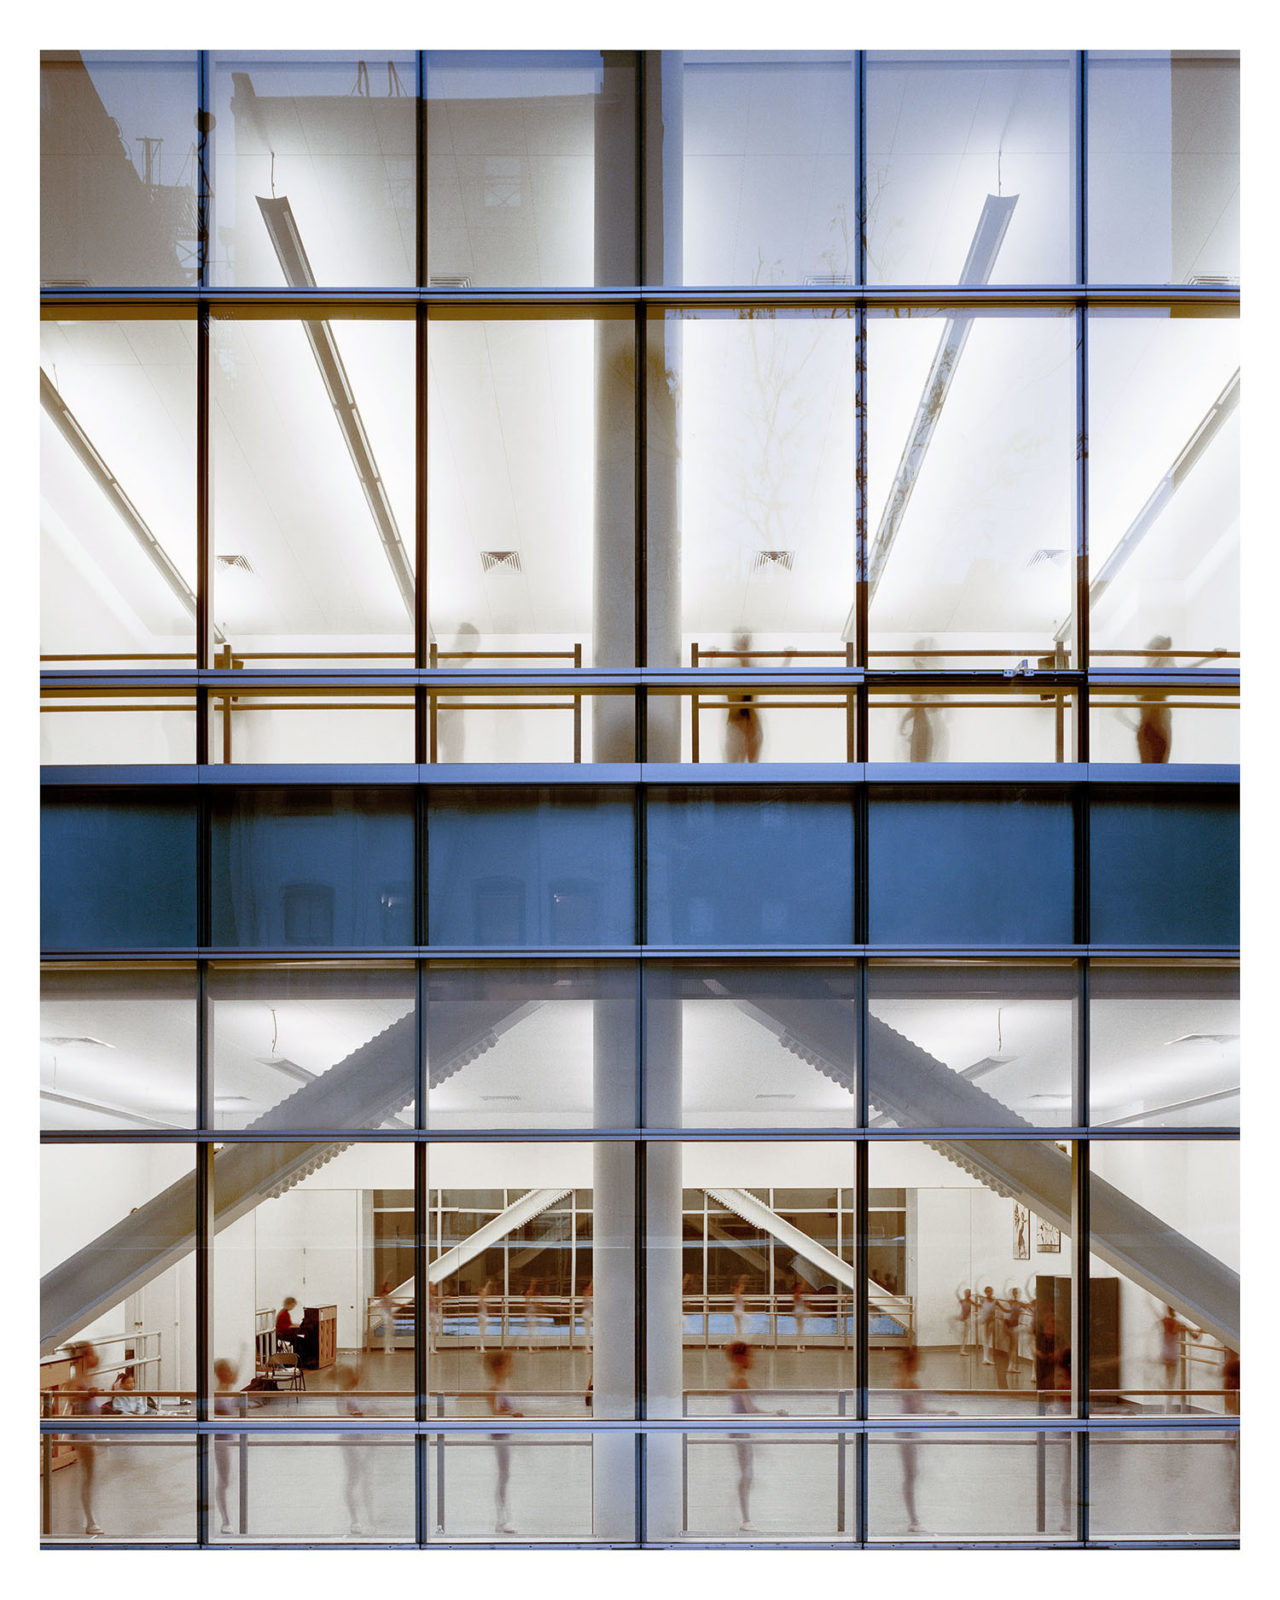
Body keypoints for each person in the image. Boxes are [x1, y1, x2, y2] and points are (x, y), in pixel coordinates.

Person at [725, 1341, 786, 1534]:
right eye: (750, 1356)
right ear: (740, 1358)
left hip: (739, 1428)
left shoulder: (735, 1376)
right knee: (747, 1474)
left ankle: (745, 1516)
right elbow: (750, 1409)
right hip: (740, 1429)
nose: (753, 1360)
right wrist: (774, 1414)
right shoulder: (740, 1379)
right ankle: (746, 1519)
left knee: (747, 1473)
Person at [64, 1341, 104, 1536]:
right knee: (88, 1476)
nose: (95, 1357)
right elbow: (71, 1397)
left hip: (88, 1429)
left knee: (90, 1476)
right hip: (83, 1431)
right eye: (91, 1353)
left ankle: (90, 1518)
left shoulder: (86, 1375)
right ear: (83, 1356)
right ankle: (90, 1520)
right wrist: (83, 1394)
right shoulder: (76, 1379)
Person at [485, 1349, 522, 1534]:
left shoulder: (504, 1386)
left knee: (504, 1476)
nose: (510, 1367)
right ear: (499, 1367)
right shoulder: (494, 1389)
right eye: (507, 1364)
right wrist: (512, 1414)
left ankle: (504, 1518)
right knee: (503, 1476)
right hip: (500, 1437)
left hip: (506, 1435)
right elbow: (495, 1413)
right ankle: (502, 1520)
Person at [334, 1364, 373, 1537]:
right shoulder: (342, 1396)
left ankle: (366, 1517)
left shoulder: (352, 1392)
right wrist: (358, 1415)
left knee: (362, 1477)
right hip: (350, 1441)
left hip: (359, 1439)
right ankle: (355, 1520)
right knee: (353, 1480)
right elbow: (343, 1414)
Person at [213, 1358, 241, 1537]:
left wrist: (243, 1353)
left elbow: (238, 1376)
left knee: (229, 1480)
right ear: (221, 1373)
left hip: (230, 1441)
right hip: (221, 1442)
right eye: (228, 1370)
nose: (231, 1374)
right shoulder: (217, 1392)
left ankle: (227, 1519)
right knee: (224, 1482)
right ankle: (226, 1521)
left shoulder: (227, 1389)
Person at [724, 633, 762, 763]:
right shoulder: (729, 669)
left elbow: (777, 676)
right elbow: (708, 677)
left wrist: (787, 658)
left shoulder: (754, 668)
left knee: (753, 764)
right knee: (733, 765)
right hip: (735, 722)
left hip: (751, 722)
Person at [1158, 1304, 1201, 1410]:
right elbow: (1196, 1337)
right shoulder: (1180, 1324)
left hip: (1164, 1354)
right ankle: (1167, 1406)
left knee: (1167, 1379)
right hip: (1173, 1355)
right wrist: (1200, 1331)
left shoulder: (1164, 1321)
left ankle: (1165, 1400)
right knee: (1171, 1382)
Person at [976, 1286, 998, 1366]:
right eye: (988, 1291)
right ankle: (985, 1358)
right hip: (984, 1321)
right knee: (985, 1339)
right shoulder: (983, 1299)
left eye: (991, 1291)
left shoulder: (995, 1300)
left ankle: (986, 1358)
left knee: (988, 1339)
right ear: (985, 1292)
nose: (990, 1293)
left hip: (991, 1321)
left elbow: (1002, 1308)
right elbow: (982, 1307)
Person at [954, 1287, 975, 1354]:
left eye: (968, 1293)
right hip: (962, 1318)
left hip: (967, 1319)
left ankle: (962, 1350)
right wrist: (960, 1286)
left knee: (965, 1335)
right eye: (966, 1293)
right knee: (962, 1334)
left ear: (970, 1294)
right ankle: (962, 1349)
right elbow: (956, 1293)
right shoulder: (962, 1301)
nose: (967, 1294)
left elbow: (977, 1305)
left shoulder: (971, 1301)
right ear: (964, 1294)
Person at [378, 1280, 396, 1356]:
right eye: (388, 1286)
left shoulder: (388, 1296)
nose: (390, 1288)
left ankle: (390, 1347)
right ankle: (387, 1348)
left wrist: (401, 1305)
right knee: (387, 1332)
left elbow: (392, 1303)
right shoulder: (384, 1296)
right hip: (385, 1315)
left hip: (389, 1314)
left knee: (390, 1332)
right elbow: (390, 1303)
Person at [791, 1279, 809, 1352]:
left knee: (800, 1329)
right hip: (799, 1312)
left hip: (799, 1312)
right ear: (796, 1288)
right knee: (799, 1330)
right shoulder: (796, 1295)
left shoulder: (798, 1295)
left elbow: (801, 1303)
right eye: (799, 1287)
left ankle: (799, 1346)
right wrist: (807, 1303)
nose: (801, 1289)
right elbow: (801, 1303)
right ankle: (798, 1346)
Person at [477, 1279, 493, 1351]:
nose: (485, 1293)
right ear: (480, 1293)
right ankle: (481, 1347)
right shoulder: (480, 1300)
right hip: (482, 1316)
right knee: (482, 1333)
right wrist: (487, 1284)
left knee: (482, 1333)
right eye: (482, 1292)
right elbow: (485, 1291)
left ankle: (481, 1347)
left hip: (483, 1316)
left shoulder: (482, 1300)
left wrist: (486, 1304)